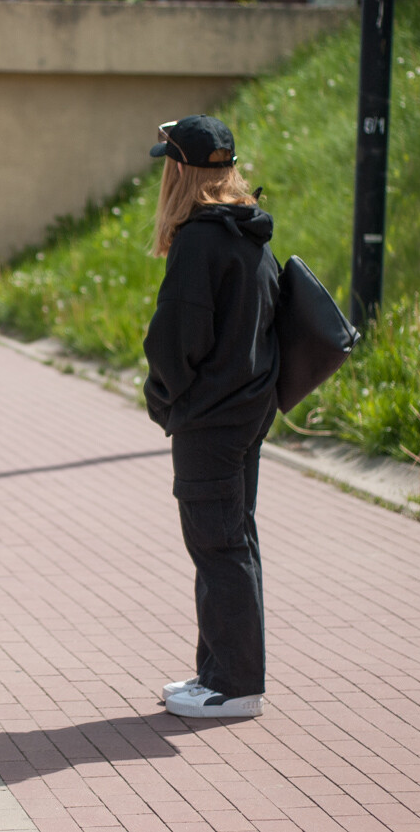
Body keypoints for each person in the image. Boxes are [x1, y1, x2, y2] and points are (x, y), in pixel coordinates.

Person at [143, 114, 280, 719]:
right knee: (229, 541)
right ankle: (217, 673)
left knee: (219, 546)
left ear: (179, 170)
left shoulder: (199, 239)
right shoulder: (248, 231)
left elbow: (176, 340)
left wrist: (166, 398)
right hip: (247, 411)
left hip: (211, 421)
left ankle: (235, 686)